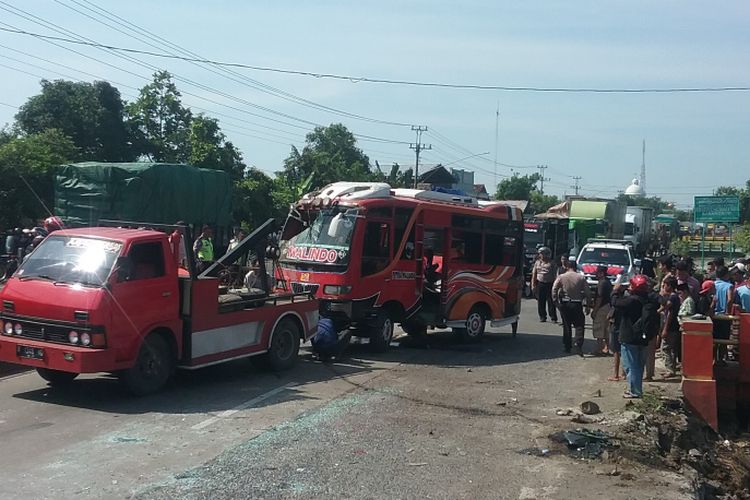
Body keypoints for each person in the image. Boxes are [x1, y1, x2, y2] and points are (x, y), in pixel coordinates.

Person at [612, 275, 660, 399]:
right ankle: (637, 389)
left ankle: (635, 391)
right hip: (644, 338)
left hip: (629, 337)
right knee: (639, 365)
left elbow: (615, 302)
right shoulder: (649, 300)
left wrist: (616, 290)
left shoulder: (631, 300)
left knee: (630, 365)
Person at [552, 258, 591, 355]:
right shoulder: (581, 277)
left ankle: (567, 346)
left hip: (565, 303)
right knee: (579, 325)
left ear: (568, 267)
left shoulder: (561, 277)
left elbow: (554, 289)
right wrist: (588, 304)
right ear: (575, 267)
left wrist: (556, 301)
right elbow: (587, 292)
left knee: (566, 325)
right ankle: (578, 343)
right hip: (577, 303)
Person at [660, 276, 681, 378]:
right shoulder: (676, 297)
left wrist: (665, 329)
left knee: (666, 348)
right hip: (674, 327)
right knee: (672, 349)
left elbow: (669, 312)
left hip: (671, 327)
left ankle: (670, 369)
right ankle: (672, 368)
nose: (664, 287)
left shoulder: (673, 297)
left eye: (665, 285)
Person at [713, 266, 734, 364]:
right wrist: (728, 310)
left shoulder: (713, 284)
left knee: (713, 339)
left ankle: (713, 359)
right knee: (724, 339)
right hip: (724, 316)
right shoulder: (729, 286)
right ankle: (720, 359)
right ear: (726, 275)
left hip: (713, 315)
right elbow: (729, 299)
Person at [531, 247, 558, 323]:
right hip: (540, 283)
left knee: (551, 301)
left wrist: (556, 286)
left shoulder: (552, 263)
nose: (541, 255)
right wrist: (533, 285)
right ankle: (542, 316)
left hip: (550, 284)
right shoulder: (537, 263)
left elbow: (556, 275)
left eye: (543, 254)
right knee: (541, 301)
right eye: (540, 254)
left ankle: (553, 317)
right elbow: (534, 274)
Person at [590, 265, 612, 355]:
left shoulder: (601, 283)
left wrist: (594, 310)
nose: (596, 274)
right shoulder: (608, 282)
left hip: (602, 307)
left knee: (599, 328)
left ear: (601, 273)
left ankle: (599, 348)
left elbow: (599, 297)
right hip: (608, 306)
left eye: (597, 272)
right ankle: (607, 348)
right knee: (606, 328)